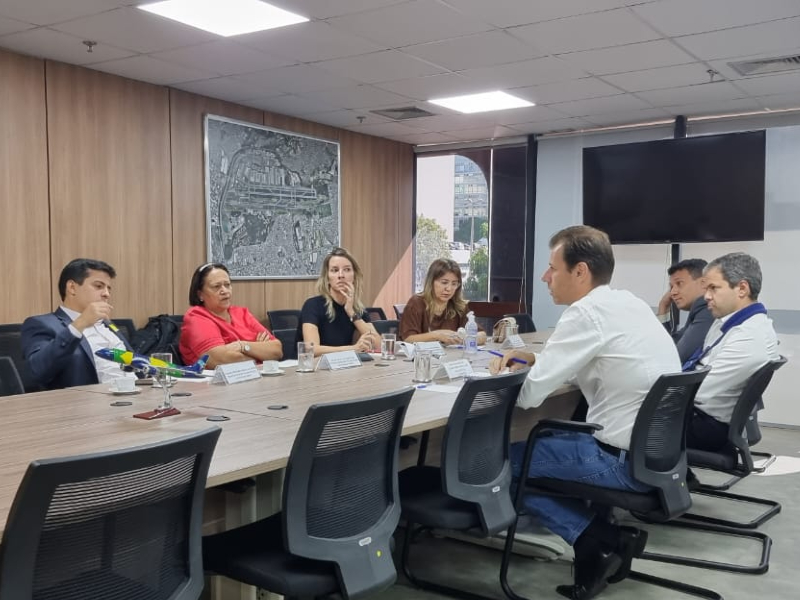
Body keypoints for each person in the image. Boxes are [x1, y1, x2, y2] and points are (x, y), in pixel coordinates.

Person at [489, 226, 679, 600]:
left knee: (498, 467)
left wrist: (495, 377)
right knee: (540, 441)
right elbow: (595, 360)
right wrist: (538, 358)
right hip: (652, 455)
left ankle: (596, 538)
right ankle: (602, 537)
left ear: (580, 272)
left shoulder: (585, 313)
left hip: (616, 460)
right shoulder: (629, 303)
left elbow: (528, 396)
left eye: (552, 268)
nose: (545, 277)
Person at [684, 253, 779, 452]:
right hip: (697, 414)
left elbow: (697, 391)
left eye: (713, 288)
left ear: (742, 288)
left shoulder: (750, 336)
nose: (706, 296)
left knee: (619, 418)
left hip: (705, 425)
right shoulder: (727, 322)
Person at [22, 258, 136, 390]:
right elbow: (37, 371)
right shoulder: (41, 324)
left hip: (136, 395)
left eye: (108, 288)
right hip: (90, 403)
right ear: (72, 287)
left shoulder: (108, 325)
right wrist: (80, 323)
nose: (106, 294)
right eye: (99, 286)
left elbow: (133, 363)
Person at [179, 263, 282, 368]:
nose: (225, 291)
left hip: (253, 378)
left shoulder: (242, 313)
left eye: (227, 285)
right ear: (200, 294)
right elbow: (219, 360)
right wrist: (260, 353)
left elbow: (277, 350)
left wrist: (242, 346)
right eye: (216, 286)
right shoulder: (196, 317)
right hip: (214, 383)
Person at [300, 247, 377, 356]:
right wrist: (353, 348)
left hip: (345, 368)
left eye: (347, 269)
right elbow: (311, 349)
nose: (341, 275)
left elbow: (378, 345)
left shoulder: (357, 308)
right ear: (327, 277)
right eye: (335, 270)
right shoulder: (313, 305)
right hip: (316, 368)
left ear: (354, 276)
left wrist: (351, 312)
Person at [400, 258, 486, 344]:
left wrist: (465, 338)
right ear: (431, 282)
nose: (449, 289)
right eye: (444, 282)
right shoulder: (416, 303)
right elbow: (408, 338)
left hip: (453, 356)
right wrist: (438, 335)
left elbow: (482, 335)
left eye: (454, 284)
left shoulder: (459, 306)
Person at [656, 258, 713, 363]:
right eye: (671, 287)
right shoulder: (699, 311)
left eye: (679, 284)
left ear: (703, 283)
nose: (673, 292)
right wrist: (663, 307)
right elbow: (669, 346)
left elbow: (675, 357)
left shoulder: (708, 309)